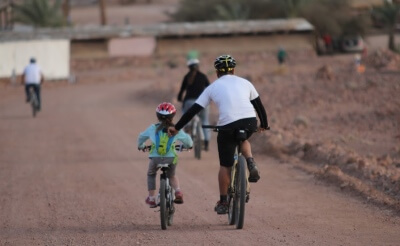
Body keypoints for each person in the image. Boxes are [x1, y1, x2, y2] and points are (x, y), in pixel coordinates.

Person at [168, 55, 269, 215]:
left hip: (227, 126)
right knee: (243, 138)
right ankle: (250, 161)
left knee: (225, 165)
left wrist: (177, 127)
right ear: (233, 70)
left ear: (217, 72)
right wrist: (264, 124)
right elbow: (259, 106)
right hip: (249, 122)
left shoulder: (212, 87)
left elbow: (193, 110)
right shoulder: (246, 83)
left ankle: (223, 201)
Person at [137, 102, 193, 208]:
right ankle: (178, 192)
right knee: (171, 175)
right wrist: (188, 146)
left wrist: (141, 146)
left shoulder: (152, 128)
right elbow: (188, 141)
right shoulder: (176, 129)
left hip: (155, 159)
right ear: (173, 116)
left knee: (151, 173)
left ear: (157, 116)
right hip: (171, 158)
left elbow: (141, 137)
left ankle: (152, 198)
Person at [177, 58, 211, 150]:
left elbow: (182, 90)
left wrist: (180, 98)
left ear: (189, 67)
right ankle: (206, 142)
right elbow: (209, 88)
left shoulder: (187, 77)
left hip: (189, 102)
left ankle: (187, 129)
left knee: (185, 115)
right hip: (203, 102)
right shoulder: (203, 76)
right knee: (205, 120)